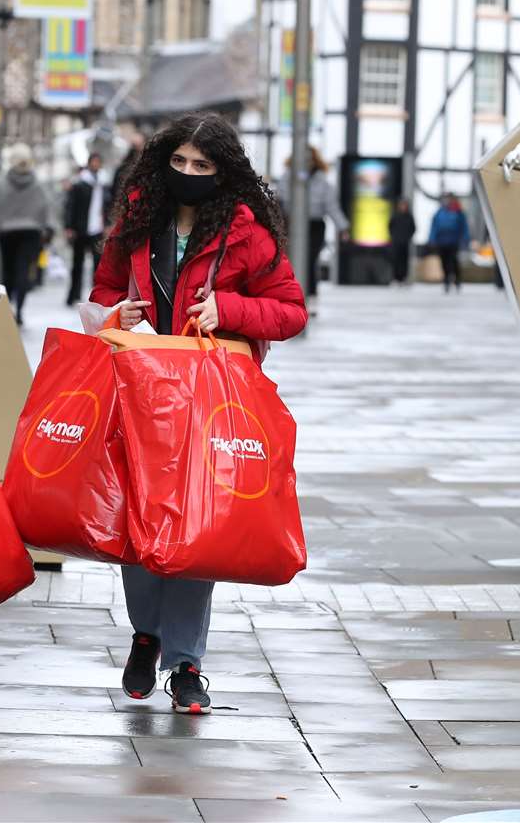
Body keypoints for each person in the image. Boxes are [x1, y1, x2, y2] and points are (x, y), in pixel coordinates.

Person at [91, 111, 307, 714]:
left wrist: (230, 310)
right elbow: (102, 293)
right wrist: (117, 314)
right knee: (139, 525)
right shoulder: (136, 222)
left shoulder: (246, 233)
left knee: (196, 530)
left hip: (209, 405)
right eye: (180, 162)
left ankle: (185, 664)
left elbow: (290, 312)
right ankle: (146, 632)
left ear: (223, 172)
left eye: (202, 166)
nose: (188, 174)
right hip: (139, 394)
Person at [0, 142, 52, 325]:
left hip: (7, 233)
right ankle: (20, 310)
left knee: (8, 271)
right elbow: (46, 207)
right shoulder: (37, 183)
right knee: (23, 272)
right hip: (31, 233)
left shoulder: (1, 182)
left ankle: (9, 310)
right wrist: (45, 226)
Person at [282, 147, 349, 304]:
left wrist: (342, 227)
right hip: (291, 223)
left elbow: (332, 206)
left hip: (315, 225)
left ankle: (311, 294)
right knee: (290, 259)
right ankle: (291, 293)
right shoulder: (288, 177)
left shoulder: (322, 182)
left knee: (311, 259)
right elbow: (281, 198)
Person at [64, 152, 109, 304]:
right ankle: (73, 295)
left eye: (98, 162)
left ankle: (96, 296)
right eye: (94, 162)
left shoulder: (103, 183)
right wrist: (69, 226)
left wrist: (107, 224)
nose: (96, 165)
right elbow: (70, 206)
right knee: (77, 264)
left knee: (98, 266)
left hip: (97, 229)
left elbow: (108, 206)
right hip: (80, 229)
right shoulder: (80, 183)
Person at [428, 194, 470, 292]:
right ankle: (446, 280)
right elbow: (434, 227)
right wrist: (432, 239)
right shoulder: (439, 212)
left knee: (453, 260)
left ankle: (457, 279)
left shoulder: (458, 212)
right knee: (444, 261)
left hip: (453, 241)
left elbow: (464, 227)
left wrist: (465, 239)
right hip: (441, 241)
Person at [389, 198, 416, 285]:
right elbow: (390, 226)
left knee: (404, 261)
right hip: (396, 242)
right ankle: (396, 278)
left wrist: (408, 237)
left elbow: (413, 228)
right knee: (396, 260)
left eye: (404, 205)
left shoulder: (409, 216)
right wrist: (394, 236)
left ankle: (404, 278)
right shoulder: (395, 216)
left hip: (405, 242)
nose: (403, 207)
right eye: (401, 205)